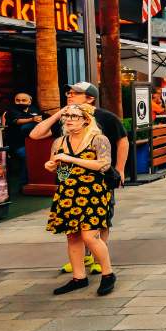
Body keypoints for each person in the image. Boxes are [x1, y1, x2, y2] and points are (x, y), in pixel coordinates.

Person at [30, 82, 128, 277]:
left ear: (90, 98)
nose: (70, 95)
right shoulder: (65, 119)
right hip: (69, 183)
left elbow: (122, 140)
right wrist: (59, 113)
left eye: (76, 93)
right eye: (69, 92)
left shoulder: (105, 118)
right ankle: (81, 263)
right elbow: (35, 134)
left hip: (99, 179)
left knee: (101, 220)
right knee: (73, 225)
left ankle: (101, 260)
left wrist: (120, 169)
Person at [45, 103, 116, 296]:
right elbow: (58, 166)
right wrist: (51, 165)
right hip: (68, 193)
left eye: (74, 116)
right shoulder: (59, 142)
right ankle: (79, 277)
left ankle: (108, 274)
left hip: (93, 192)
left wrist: (72, 159)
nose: (68, 119)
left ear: (86, 119)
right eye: (66, 116)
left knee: (89, 236)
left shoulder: (98, 139)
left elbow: (103, 164)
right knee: (72, 235)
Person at [6, 92, 42, 182]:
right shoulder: (11, 110)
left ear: (29, 102)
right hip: (17, 144)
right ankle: (24, 183)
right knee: (27, 155)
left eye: (23, 100)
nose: (20, 102)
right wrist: (32, 119)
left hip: (33, 142)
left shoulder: (34, 109)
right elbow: (17, 121)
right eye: (17, 100)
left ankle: (38, 181)